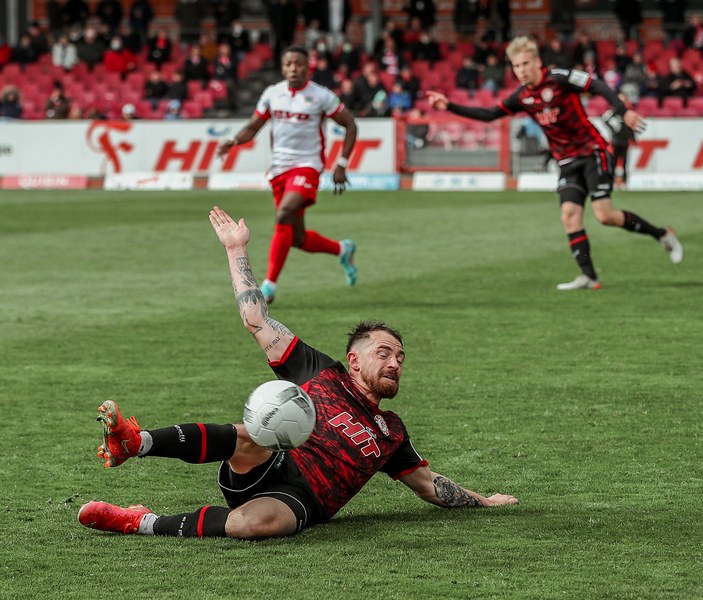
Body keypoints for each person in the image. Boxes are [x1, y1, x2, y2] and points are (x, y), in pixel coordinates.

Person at [78, 206, 520, 539]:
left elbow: (428, 486)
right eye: (384, 353)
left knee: (254, 525)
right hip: (268, 461)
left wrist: (484, 500)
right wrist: (236, 249)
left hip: (302, 499)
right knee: (255, 431)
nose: (395, 363)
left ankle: (139, 521)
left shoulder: (391, 433)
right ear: (354, 360)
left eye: (400, 358)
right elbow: (256, 319)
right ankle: (136, 442)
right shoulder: (320, 371)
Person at [427, 36, 683, 290]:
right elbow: (489, 114)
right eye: (516, 66)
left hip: (593, 152)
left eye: (525, 63)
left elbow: (597, 85)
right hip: (567, 161)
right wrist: (449, 105)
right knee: (569, 215)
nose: (521, 70)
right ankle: (590, 277)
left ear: (537, 62)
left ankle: (661, 234)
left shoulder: (559, 78)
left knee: (604, 216)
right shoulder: (522, 96)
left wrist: (622, 111)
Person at [215, 46, 358, 305]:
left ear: (307, 67)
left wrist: (342, 163)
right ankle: (343, 249)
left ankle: (269, 285)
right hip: (279, 170)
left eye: (299, 64)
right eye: (289, 64)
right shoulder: (272, 94)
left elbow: (350, 124)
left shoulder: (322, 96)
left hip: (307, 166)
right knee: (297, 238)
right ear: (282, 68)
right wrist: (234, 141)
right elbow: (253, 127)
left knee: (283, 214)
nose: (294, 68)